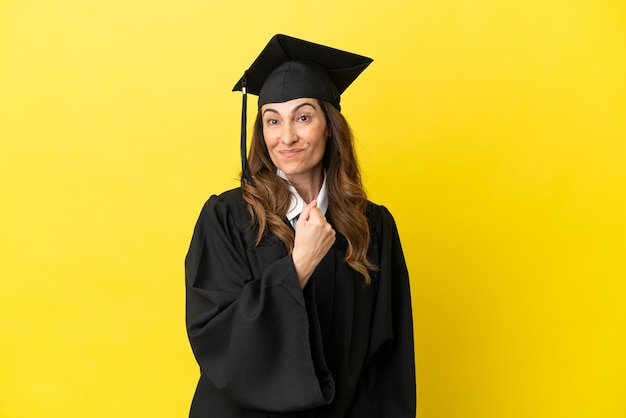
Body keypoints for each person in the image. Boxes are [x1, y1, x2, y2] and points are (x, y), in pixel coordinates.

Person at [185, 34, 415, 418]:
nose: (286, 136)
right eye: (272, 121)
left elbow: (385, 361)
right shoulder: (226, 218)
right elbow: (217, 339)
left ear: (330, 125)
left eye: (303, 117)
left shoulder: (373, 226)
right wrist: (298, 266)